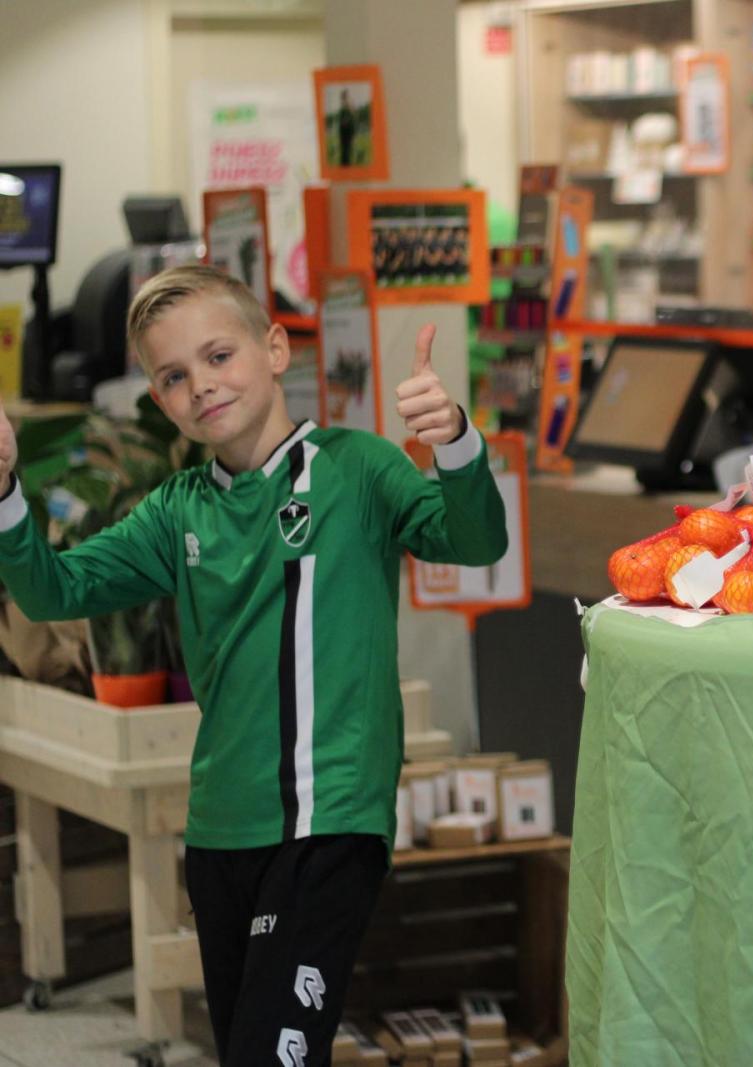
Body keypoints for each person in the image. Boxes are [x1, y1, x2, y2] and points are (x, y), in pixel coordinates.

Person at [0, 265, 507, 1064]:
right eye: (173, 375)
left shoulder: (362, 468)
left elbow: (477, 543)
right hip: (220, 833)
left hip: (329, 821)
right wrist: (5, 492)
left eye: (218, 356)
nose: (201, 385)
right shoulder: (175, 511)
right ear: (159, 397)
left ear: (274, 349)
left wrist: (457, 441)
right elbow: (55, 589)